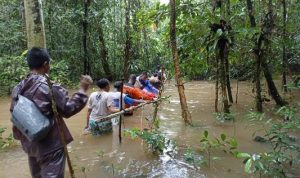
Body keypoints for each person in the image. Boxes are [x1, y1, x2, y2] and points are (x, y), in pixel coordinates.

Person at [10, 47, 91, 178]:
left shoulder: (17, 88)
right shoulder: (49, 86)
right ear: (45, 64)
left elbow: (15, 116)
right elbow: (68, 109)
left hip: (31, 146)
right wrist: (82, 90)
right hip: (51, 146)